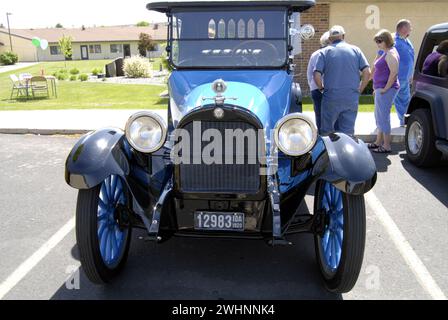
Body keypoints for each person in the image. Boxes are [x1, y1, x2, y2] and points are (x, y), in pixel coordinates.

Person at [313, 25, 371, 136]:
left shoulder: (324, 52)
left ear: (330, 39)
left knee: (327, 132)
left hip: (331, 96)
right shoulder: (356, 50)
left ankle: (329, 152)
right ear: (343, 36)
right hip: (351, 96)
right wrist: (360, 88)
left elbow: (316, 74)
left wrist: (321, 88)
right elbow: (367, 72)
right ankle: (346, 152)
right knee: (348, 133)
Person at [369, 30, 400, 154]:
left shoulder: (391, 53)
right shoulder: (385, 52)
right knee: (379, 116)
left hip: (387, 90)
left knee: (383, 118)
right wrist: (376, 89)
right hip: (380, 89)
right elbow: (376, 68)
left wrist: (385, 89)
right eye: (376, 41)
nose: (377, 43)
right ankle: (378, 142)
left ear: (387, 40)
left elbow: (394, 73)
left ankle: (386, 145)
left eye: (380, 41)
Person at [307, 31, 330, 133]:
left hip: (316, 88)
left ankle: (322, 136)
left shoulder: (315, 54)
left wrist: (313, 86)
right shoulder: (332, 54)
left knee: (319, 114)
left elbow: (309, 73)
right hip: (329, 88)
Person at [393, 19, 415, 126]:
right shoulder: (393, 41)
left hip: (405, 77)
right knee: (388, 101)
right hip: (396, 77)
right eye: (409, 27)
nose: (411, 29)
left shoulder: (407, 41)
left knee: (405, 100)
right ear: (403, 28)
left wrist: (411, 74)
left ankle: (404, 121)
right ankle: (381, 125)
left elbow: (410, 58)